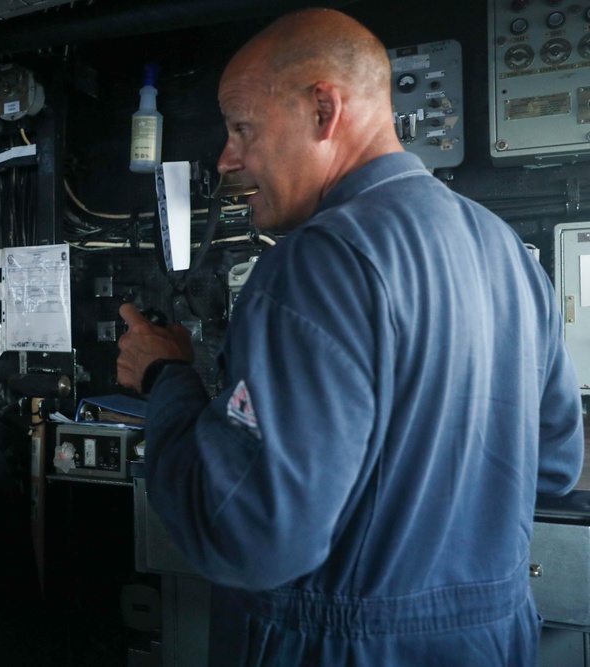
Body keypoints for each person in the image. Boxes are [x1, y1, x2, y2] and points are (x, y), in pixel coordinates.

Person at [116, 8, 584, 666]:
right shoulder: (504, 250)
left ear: (323, 110)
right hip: (491, 641)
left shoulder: (313, 263)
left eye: (242, 126)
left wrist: (168, 381)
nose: (227, 158)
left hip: (342, 647)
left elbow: (250, 533)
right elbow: (554, 464)